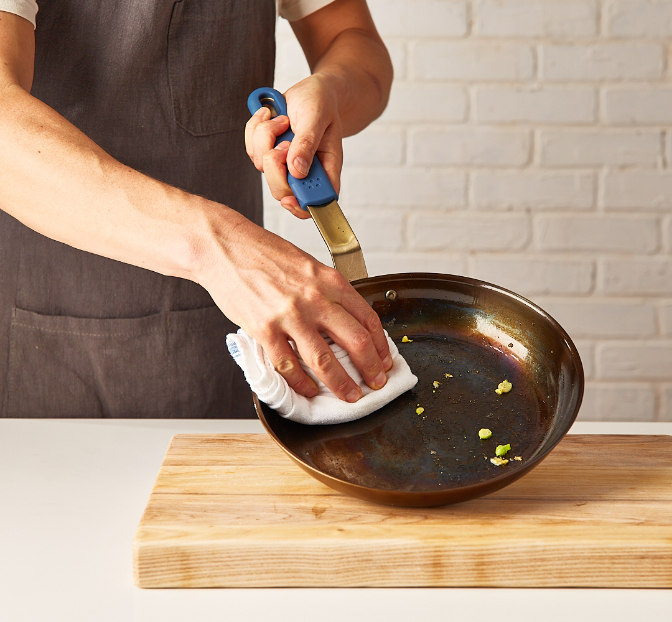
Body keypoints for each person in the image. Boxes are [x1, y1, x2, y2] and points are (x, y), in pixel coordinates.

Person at [0, 0, 394, 418]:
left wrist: (330, 87)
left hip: (227, 337)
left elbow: (355, 43)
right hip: (46, 334)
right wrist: (220, 247)